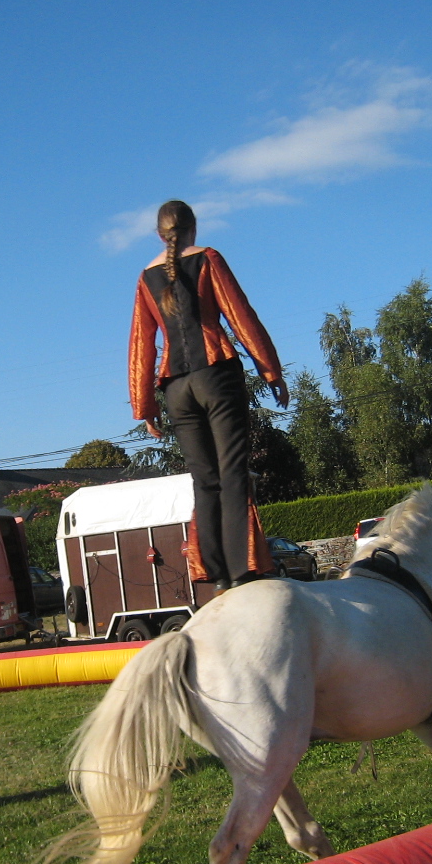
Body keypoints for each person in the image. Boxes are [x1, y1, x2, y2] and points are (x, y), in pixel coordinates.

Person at [128, 200, 286, 589]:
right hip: (216, 374)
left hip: (176, 388)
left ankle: (214, 573)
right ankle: (239, 571)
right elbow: (241, 316)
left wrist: (144, 406)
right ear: (193, 228)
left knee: (204, 480)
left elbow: (141, 343)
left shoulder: (146, 276)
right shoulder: (208, 258)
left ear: (159, 234)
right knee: (232, 474)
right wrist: (270, 370)